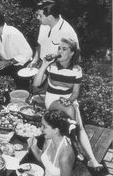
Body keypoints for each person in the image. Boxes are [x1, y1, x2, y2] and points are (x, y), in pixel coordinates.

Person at [33, 37, 103, 169]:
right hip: (52, 101)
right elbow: (36, 84)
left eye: (64, 49)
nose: (60, 51)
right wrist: (44, 65)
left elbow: (75, 92)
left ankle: (92, 160)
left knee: (79, 127)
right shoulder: (52, 67)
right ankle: (49, 160)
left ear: (71, 53)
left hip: (68, 100)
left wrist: (69, 101)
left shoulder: (76, 70)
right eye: (59, 48)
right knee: (54, 128)